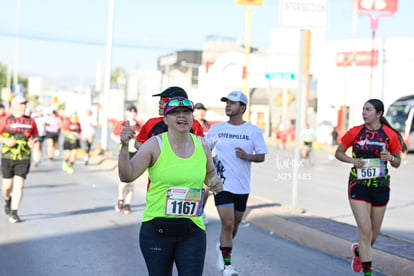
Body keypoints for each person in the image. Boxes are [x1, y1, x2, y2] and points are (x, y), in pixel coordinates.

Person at [118, 97, 223, 276]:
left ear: (192, 117)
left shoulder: (201, 144)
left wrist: (215, 182)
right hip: (157, 229)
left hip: (192, 229)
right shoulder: (154, 145)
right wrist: (124, 146)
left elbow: (210, 174)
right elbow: (127, 175)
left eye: (186, 112)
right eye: (175, 113)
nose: (182, 116)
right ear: (165, 119)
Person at [335, 99, 407, 276]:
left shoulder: (390, 135)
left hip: (380, 187)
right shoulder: (355, 132)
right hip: (358, 186)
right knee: (365, 232)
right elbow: (338, 153)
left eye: (368, 110)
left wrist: (389, 157)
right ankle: (368, 273)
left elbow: (398, 162)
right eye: (363, 109)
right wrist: (353, 161)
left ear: (379, 114)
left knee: (373, 236)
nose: (363, 112)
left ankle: (359, 252)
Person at [205, 90, 268, 276]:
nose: (228, 105)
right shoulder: (217, 129)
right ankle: (227, 265)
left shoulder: (253, 131)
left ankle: (222, 247)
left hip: (242, 187)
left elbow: (261, 156)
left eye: (232, 103)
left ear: (242, 108)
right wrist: (210, 170)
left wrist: (247, 156)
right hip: (221, 184)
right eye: (226, 102)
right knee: (227, 222)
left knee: (234, 226)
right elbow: (205, 151)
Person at [133, 87, 210, 224]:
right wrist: (153, 154)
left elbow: (201, 151)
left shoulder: (194, 125)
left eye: (163, 99)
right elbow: (138, 144)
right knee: (160, 219)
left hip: (189, 188)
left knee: (187, 226)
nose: (159, 103)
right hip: (160, 185)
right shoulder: (152, 123)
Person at [0, 96, 38, 223]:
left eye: (25, 104)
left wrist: (32, 142)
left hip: (23, 156)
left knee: (19, 184)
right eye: (21, 104)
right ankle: (7, 199)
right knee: (6, 186)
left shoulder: (30, 121)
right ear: (14, 105)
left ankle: (14, 213)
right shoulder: (5, 120)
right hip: (8, 156)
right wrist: (5, 140)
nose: (24, 107)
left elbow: (35, 136)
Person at [111, 104, 141, 214]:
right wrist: (120, 140)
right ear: (126, 112)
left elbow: (143, 138)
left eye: (134, 111)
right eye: (130, 111)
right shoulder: (121, 123)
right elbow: (113, 135)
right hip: (124, 153)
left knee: (132, 180)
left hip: (135, 154)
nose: (132, 113)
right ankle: (120, 199)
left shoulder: (139, 125)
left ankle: (128, 204)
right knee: (124, 180)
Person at [193, 102, 212, 224]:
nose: (201, 111)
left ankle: (201, 210)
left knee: (206, 188)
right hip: (192, 160)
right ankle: (192, 211)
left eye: (203, 109)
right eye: (198, 109)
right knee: (194, 187)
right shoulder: (190, 124)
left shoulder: (208, 126)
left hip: (206, 160)